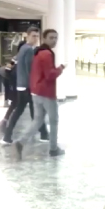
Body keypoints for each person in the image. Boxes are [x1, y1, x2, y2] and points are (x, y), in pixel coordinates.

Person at [18, 28, 66, 158]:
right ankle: (53, 149)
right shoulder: (47, 54)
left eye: (56, 37)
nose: (54, 40)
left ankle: (21, 142)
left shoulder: (37, 52)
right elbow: (50, 75)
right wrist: (61, 68)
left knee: (38, 120)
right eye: (51, 37)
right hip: (46, 93)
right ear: (44, 39)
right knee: (54, 120)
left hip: (36, 91)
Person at [0, 31, 45, 144]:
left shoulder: (22, 50)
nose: (36, 38)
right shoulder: (29, 49)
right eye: (33, 36)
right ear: (28, 36)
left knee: (22, 110)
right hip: (27, 86)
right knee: (32, 110)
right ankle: (44, 134)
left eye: (37, 36)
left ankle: (7, 136)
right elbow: (30, 69)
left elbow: (13, 65)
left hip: (21, 85)